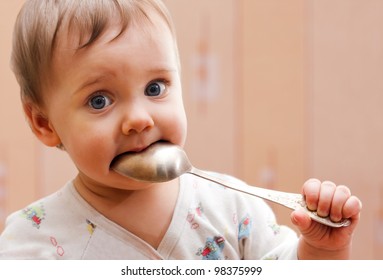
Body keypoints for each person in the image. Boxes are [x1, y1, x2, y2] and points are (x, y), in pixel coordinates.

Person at [0, 0, 361, 260]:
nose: (139, 119)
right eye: (99, 100)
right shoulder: (31, 244)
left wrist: (320, 251)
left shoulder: (233, 208)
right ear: (44, 123)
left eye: (155, 88)